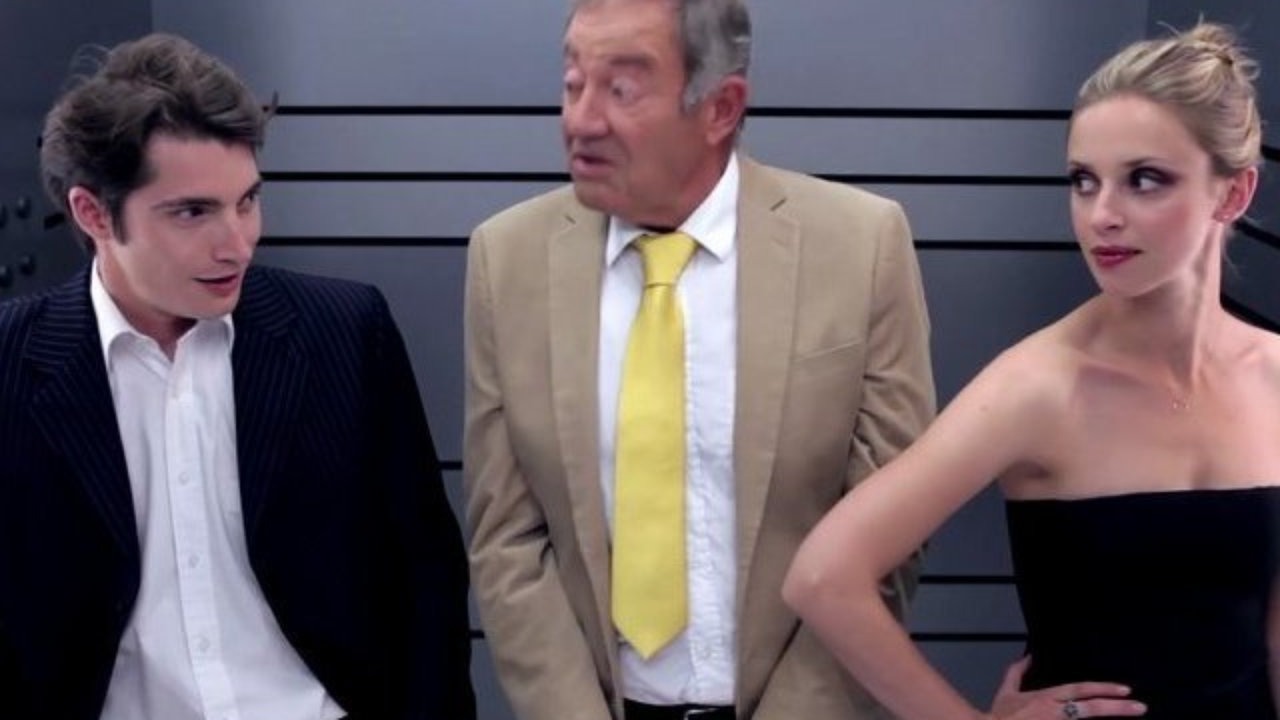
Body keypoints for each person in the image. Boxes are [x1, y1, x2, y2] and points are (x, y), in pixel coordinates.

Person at [783, 21, 1274, 720]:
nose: (1102, 215)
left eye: (1144, 180)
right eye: (1083, 181)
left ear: (1234, 193)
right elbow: (823, 577)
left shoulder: (1273, 376)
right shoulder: (1039, 387)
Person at [462, 1, 935, 718]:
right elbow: (507, 539)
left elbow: (888, 538)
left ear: (721, 108)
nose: (581, 121)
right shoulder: (508, 259)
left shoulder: (860, 246)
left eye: (621, 89)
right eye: (572, 83)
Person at [0, 32, 475, 719]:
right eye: (193, 212)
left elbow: (426, 579)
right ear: (93, 212)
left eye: (247, 200)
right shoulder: (13, 361)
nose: (239, 243)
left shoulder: (344, 332)